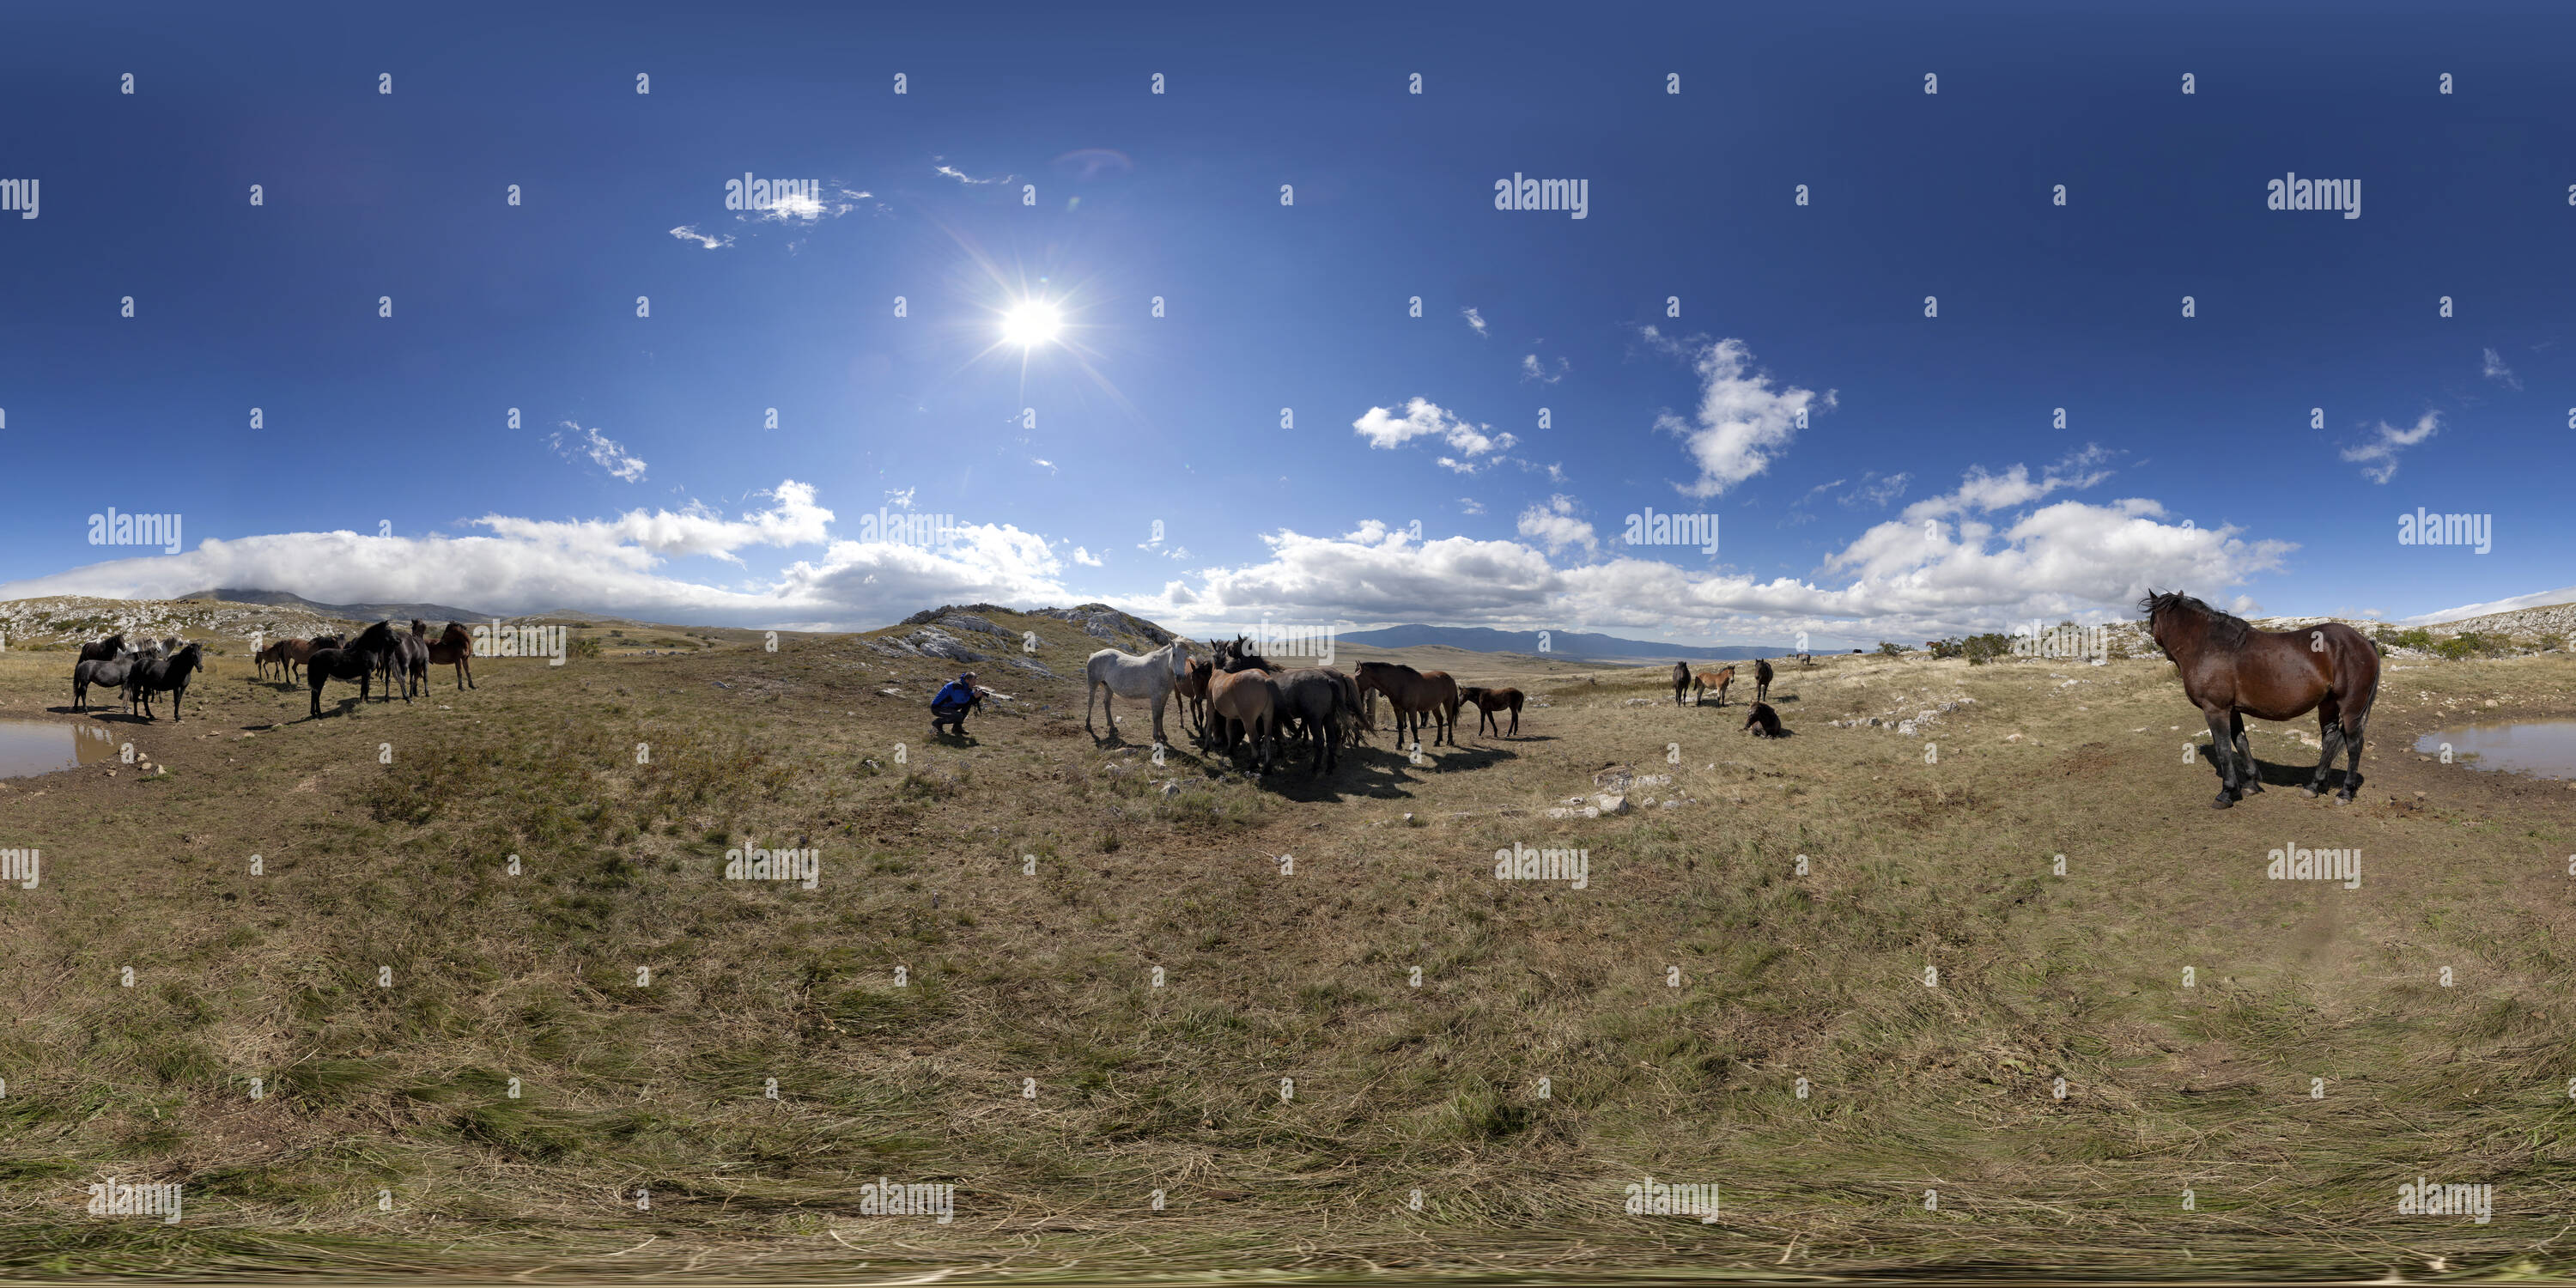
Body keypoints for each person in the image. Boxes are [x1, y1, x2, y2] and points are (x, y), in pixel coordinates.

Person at [931, 671, 982, 737]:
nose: (974, 685)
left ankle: (957, 728)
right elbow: (959, 700)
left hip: (949, 707)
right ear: (967, 680)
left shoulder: (965, 685)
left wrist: (978, 696)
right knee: (958, 716)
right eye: (973, 682)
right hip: (937, 708)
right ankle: (938, 722)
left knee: (968, 703)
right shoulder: (957, 686)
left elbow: (969, 699)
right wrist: (973, 696)